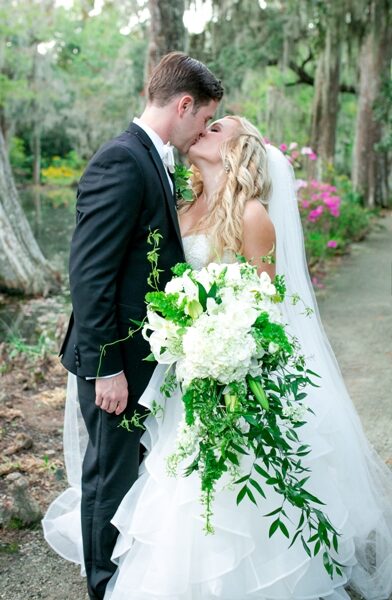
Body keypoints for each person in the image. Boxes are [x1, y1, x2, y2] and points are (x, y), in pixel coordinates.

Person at [45, 115, 392, 599]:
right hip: (178, 369)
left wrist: (222, 350)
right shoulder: (180, 205)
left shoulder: (253, 218)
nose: (205, 128)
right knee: (168, 476)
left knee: (223, 486)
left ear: (238, 150)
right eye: (206, 121)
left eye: (217, 127)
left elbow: (265, 312)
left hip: (224, 372)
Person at [43, 52, 223, 600]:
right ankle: (102, 584)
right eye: (204, 118)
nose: (202, 131)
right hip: (115, 359)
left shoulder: (151, 156)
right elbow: (90, 273)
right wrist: (107, 369)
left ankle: (122, 569)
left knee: (131, 468)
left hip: (143, 355)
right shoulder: (121, 160)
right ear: (184, 104)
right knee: (109, 475)